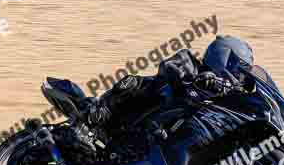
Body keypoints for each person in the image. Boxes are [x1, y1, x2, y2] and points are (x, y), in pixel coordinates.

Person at [86, 35, 254, 127]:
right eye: (239, 70)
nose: (239, 77)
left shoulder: (224, 95)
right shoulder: (189, 62)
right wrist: (193, 80)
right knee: (134, 84)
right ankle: (98, 114)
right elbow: (169, 67)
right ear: (225, 59)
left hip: (173, 139)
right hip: (144, 118)